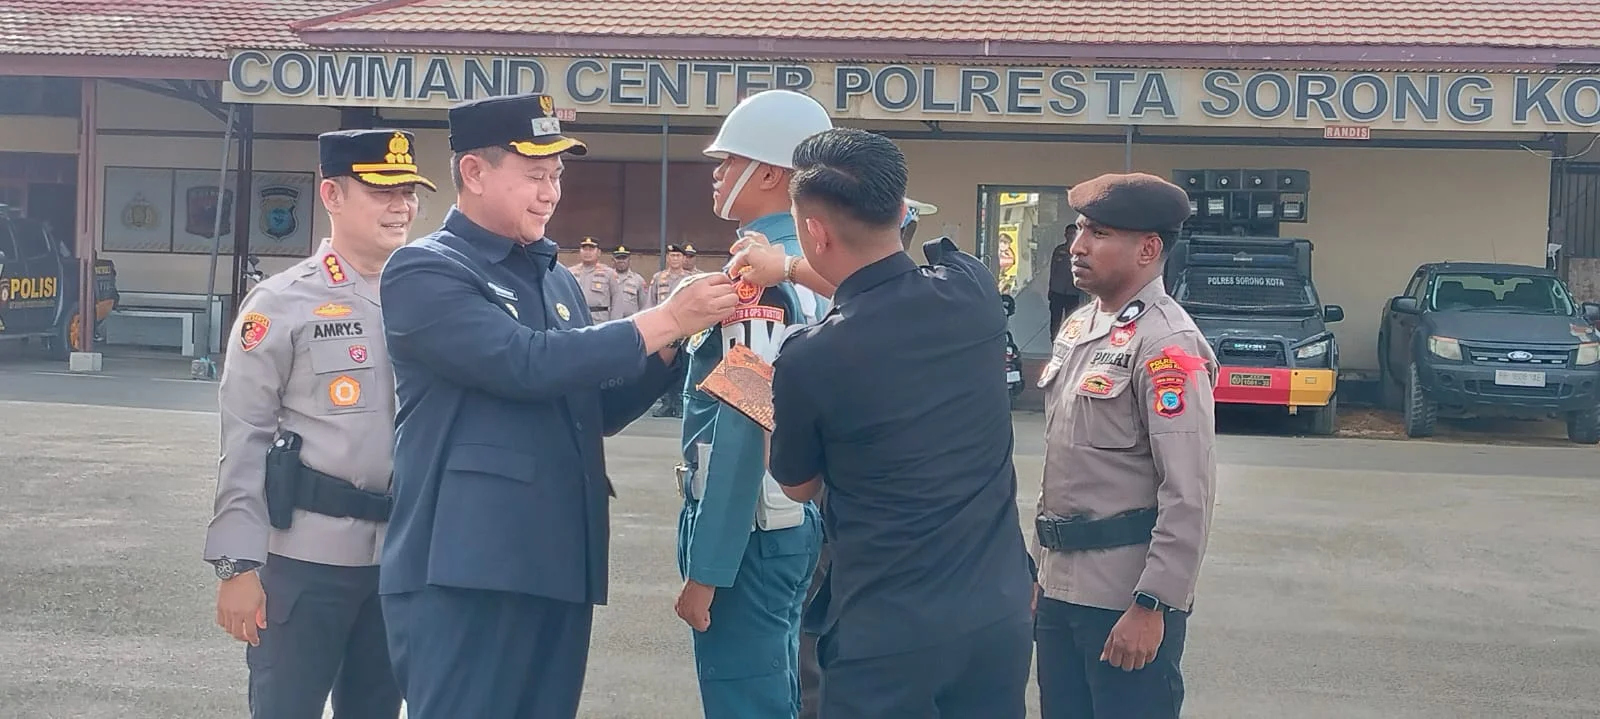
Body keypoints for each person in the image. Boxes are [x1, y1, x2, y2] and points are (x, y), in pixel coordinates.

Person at [375, 92, 739, 719]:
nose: (550, 194)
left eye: (556, 176)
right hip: (465, 565)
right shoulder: (425, 269)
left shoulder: (555, 277)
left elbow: (591, 407)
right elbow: (523, 363)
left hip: (557, 559)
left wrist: (672, 345)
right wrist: (665, 318)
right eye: (534, 175)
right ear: (474, 172)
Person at [761, 128, 1035, 718]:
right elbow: (886, 288)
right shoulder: (972, 288)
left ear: (815, 231)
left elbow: (798, 486)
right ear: (902, 208)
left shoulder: (809, 358)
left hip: (887, 630)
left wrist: (761, 403)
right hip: (997, 612)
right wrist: (786, 266)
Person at [203, 128, 438, 719]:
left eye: (408, 192)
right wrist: (237, 565)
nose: (401, 207)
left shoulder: (434, 298)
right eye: (381, 191)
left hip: (401, 558)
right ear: (332, 195)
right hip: (305, 559)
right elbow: (245, 438)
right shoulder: (281, 303)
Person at [1031, 172, 1219, 719]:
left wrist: (1154, 603)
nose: (1078, 245)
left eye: (1100, 233)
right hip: (1061, 590)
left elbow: (1189, 491)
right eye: (1079, 229)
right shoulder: (1080, 327)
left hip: (1124, 600)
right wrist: (1038, 571)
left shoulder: (1167, 343)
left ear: (1149, 249)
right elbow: (1064, 468)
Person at [671, 88, 832, 719]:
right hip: (786, 520)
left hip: (751, 530)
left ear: (769, 174)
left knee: (748, 700)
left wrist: (708, 567)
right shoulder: (806, 266)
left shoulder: (755, 280)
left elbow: (744, 419)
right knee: (781, 688)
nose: (716, 172)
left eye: (729, 159)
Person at [570, 236, 622, 321]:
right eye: (584, 249)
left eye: (591, 249)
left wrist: (615, 324)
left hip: (599, 320)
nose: (587, 252)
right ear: (580, 251)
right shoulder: (570, 273)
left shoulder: (609, 273)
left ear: (599, 252)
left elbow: (617, 302)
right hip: (577, 318)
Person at [1048, 224, 1084, 338]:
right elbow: (1053, 270)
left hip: (1073, 292)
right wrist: (1050, 289)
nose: (1071, 236)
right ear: (1065, 235)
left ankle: (1068, 341)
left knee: (1071, 320)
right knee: (1055, 320)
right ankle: (1054, 341)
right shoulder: (1059, 250)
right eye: (1069, 233)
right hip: (1057, 291)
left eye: (1073, 233)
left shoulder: (1080, 251)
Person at [611, 245, 646, 318]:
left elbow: (644, 305)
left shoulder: (638, 280)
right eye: (618, 258)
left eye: (624, 258)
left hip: (630, 321)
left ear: (629, 259)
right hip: (611, 321)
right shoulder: (608, 278)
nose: (621, 261)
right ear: (613, 259)